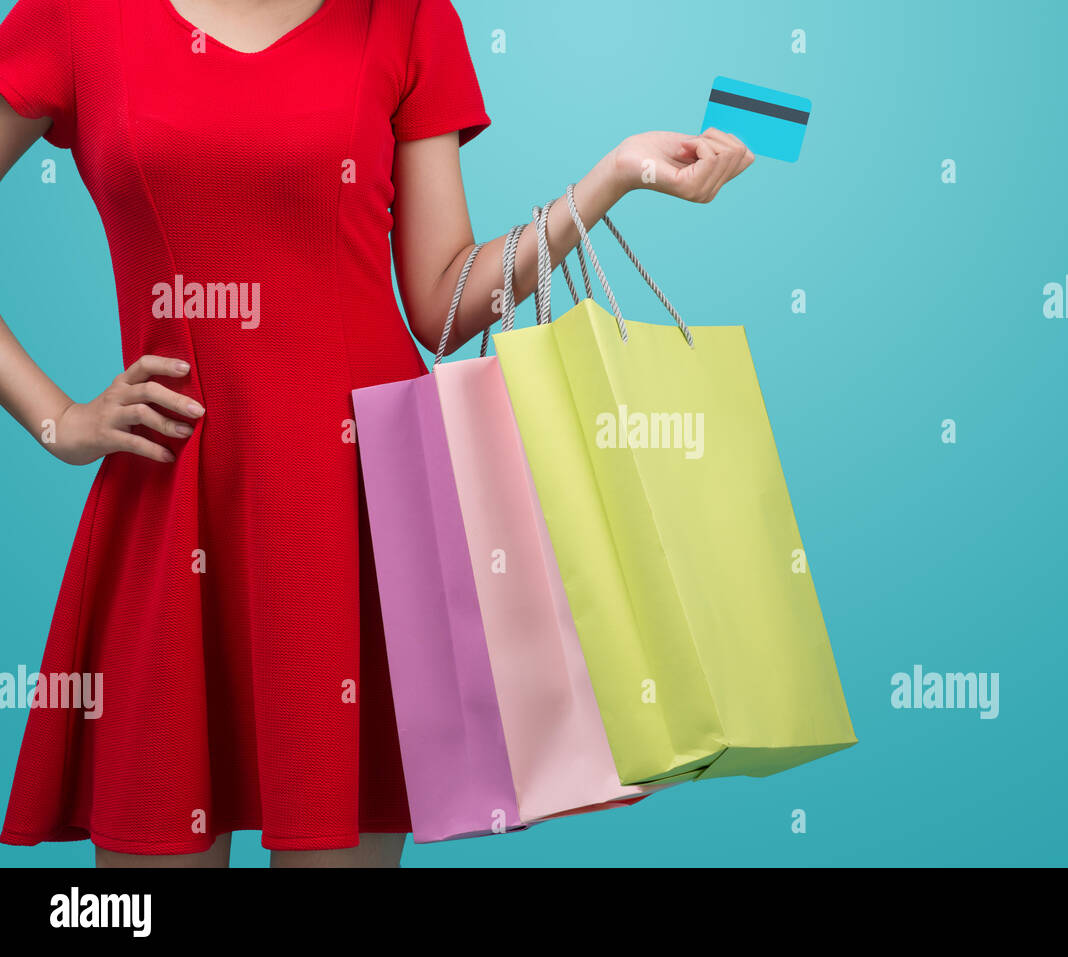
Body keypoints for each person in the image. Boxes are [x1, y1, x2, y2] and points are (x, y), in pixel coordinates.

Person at [0, 0, 752, 868]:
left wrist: (612, 176)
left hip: (360, 516)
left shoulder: (407, 15)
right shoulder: (77, 19)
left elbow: (438, 302)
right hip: (175, 506)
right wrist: (58, 421)